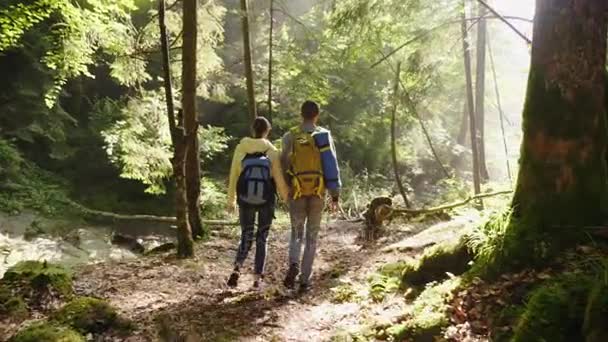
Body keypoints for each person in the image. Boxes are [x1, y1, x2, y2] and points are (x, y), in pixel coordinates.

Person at [281, 100, 341, 292]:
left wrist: (285, 189)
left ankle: (293, 264)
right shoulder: (323, 135)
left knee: (296, 233)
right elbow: (331, 163)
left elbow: (283, 164)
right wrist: (335, 194)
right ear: (317, 115)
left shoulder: (290, 135)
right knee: (312, 237)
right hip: (317, 191)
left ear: (301, 114)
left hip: (296, 190)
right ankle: (304, 280)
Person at [227, 116, 289, 289]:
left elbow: (234, 175)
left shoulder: (241, 149)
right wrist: (286, 197)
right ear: (267, 131)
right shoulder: (271, 151)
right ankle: (256, 278)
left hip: (245, 199)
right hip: (266, 200)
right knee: (262, 237)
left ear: (252, 130)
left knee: (246, 234)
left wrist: (230, 200)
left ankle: (237, 268)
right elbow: (278, 177)